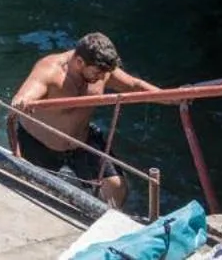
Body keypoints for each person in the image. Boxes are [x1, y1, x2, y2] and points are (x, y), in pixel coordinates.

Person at [10, 32, 161, 208]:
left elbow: (135, 85)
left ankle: (101, 224)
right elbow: (25, 94)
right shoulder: (50, 70)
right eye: (96, 73)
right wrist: (22, 101)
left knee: (116, 187)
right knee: (30, 196)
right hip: (39, 144)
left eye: (104, 73)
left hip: (80, 141)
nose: (100, 77)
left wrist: (172, 98)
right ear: (80, 62)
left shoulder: (102, 70)